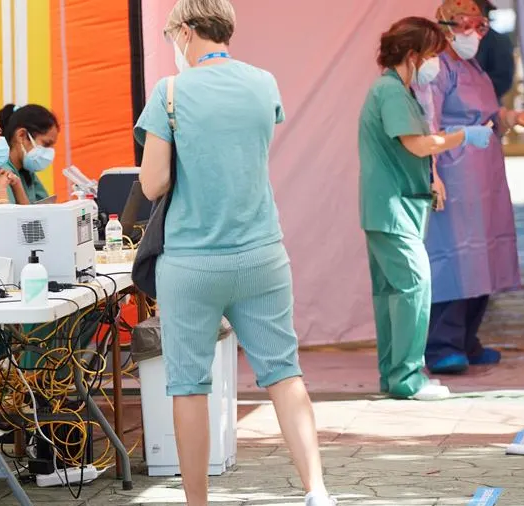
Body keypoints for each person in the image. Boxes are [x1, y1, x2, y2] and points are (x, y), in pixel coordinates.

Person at [136, 1, 335, 505]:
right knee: (284, 374)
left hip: (191, 261)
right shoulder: (263, 82)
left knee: (187, 385)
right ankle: (317, 491)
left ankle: (197, 502)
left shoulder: (170, 92)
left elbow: (154, 181)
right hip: (261, 253)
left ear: (184, 30)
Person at [359, 16, 496, 402]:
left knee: (392, 294)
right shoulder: (389, 91)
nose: (437, 63)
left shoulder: (398, 91)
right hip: (392, 209)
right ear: (413, 54)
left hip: (392, 207)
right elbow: (418, 146)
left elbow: (410, 148)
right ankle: (408, 378)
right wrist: (464, 135)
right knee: (414, 289)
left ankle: (393, 375)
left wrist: (430, 180)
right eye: (434, 54)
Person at [418, 0, 524, 374]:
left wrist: (514, 117)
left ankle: (467, 340)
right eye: (466, 25)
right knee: (454, 258)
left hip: (484, 175)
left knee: (484, 258)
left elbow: (488, 116)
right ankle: (442, 346)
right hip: (455, 176)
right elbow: (429, 126)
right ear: (444, 27)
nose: (474, 33)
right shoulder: (436, 69)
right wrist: (433, 173)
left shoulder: (473, 67)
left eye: (480, 26)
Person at [0, 103, 59, 202]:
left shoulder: (27, 172)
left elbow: (47, 207)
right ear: (22, 135)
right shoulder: (2, 172)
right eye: (46, 144)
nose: (50, 152)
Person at [472, 0, 515, 100]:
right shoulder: (454, 41)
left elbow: (502, 81)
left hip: (486, 106)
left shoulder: (498, 41)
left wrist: (470, 90)